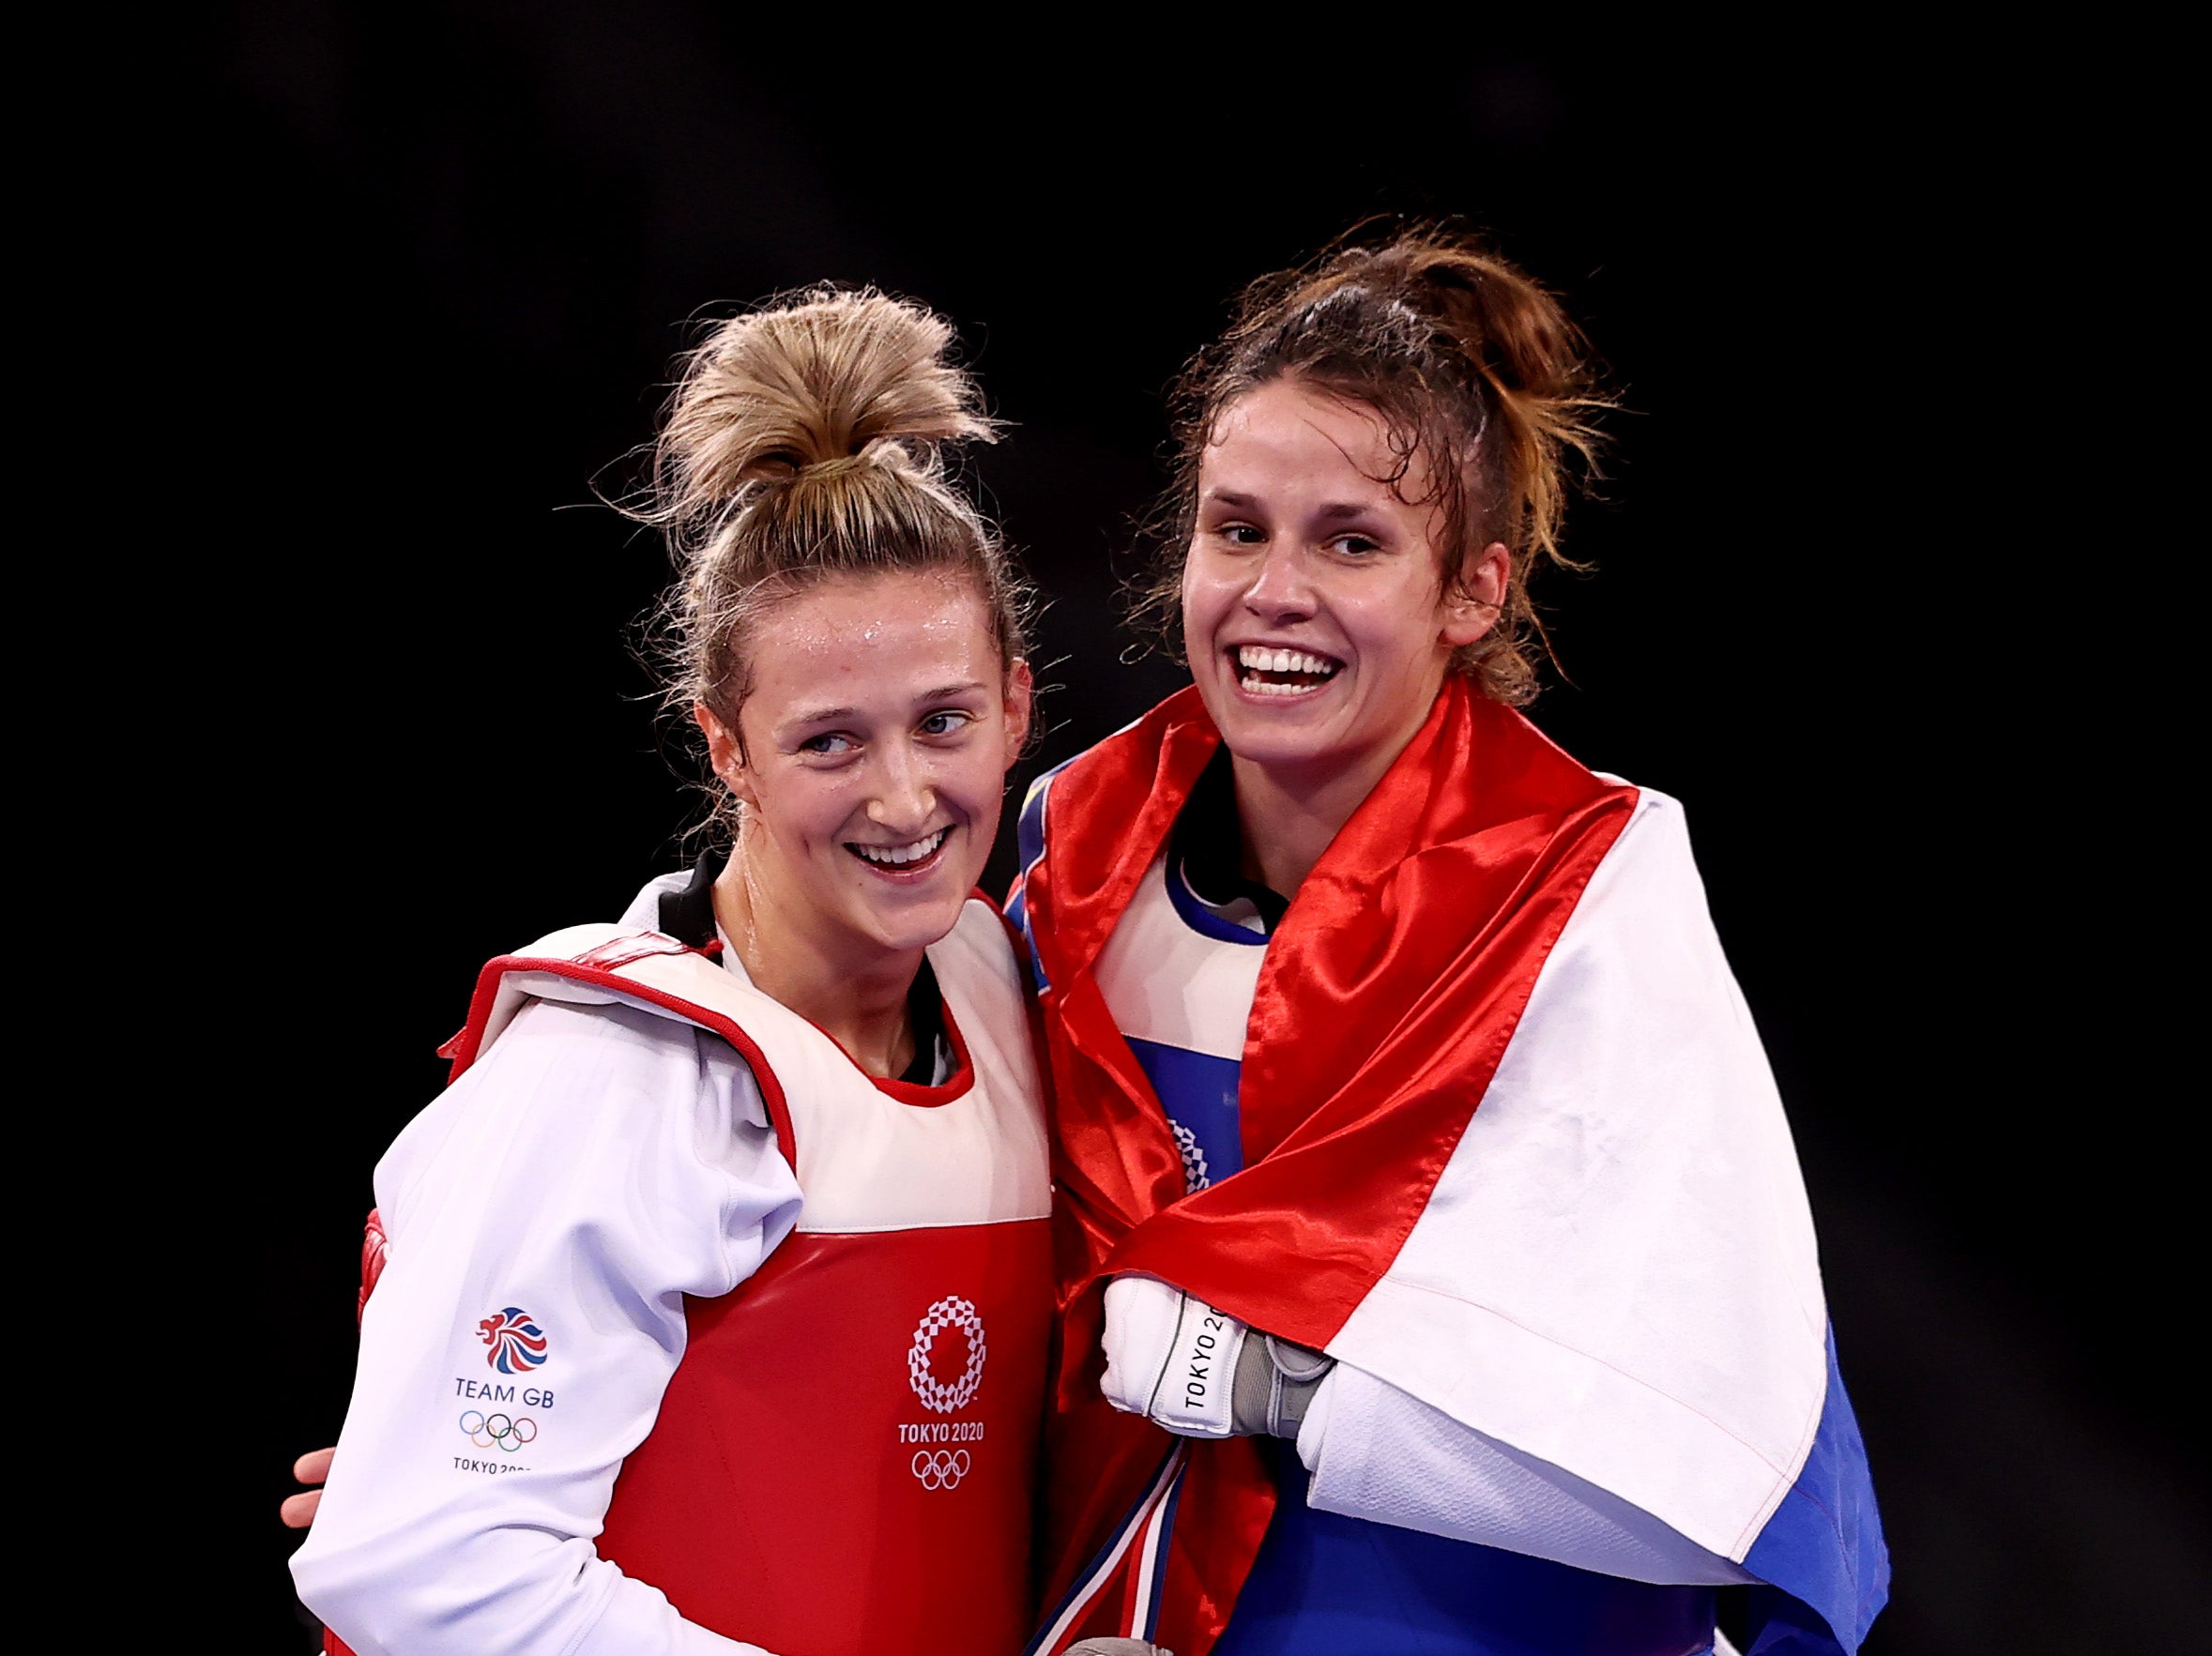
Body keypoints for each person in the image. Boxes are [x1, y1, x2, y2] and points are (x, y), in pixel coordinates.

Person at [1012, 231, 1889, 1656]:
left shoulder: (1587, 895)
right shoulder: (1072, 851)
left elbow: (1736, 1477)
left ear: (1472, 590)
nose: (1274, 590)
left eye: (1349, 540)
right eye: (1237, 527)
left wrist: (1284, 1388)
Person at [288, 289, 1058, 1656]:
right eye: (829, 741)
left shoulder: (1008, 982)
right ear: (726, 747)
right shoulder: (611, 1075)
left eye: (942, 721)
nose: (903, 797)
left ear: (1015, 703)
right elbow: (415, 1559)